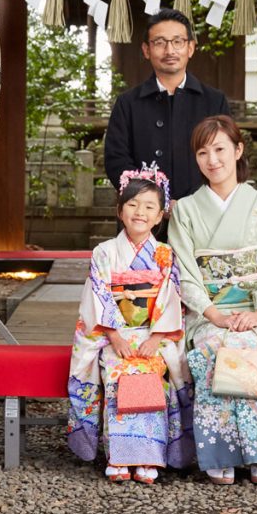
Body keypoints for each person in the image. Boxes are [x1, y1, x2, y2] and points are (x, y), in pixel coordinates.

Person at [168, 116, 257, 486]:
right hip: (209, 313)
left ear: (238, 150)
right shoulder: (185, 210)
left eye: (220, 149)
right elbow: (183, 268)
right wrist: (214, 314)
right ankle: (220, 451)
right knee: (217, 346)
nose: (212, 159)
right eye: (203, 152)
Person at [67, 165, 194, 484]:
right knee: (116, 372)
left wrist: (157, 336)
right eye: (133, 204)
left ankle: (150, 456)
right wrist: (113, 335)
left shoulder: (165, 254)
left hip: (153, 333)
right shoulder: (104, 253)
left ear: (160, 215)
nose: (141, 212)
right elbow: (96, 295)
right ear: (120, 211)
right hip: (115, 334)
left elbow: (170, 298)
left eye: (150, 206)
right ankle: (119, 455)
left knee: (155, 371)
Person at [104, 9, 230, 214]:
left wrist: (190, 206)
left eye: (178, 41)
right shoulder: (127, 104)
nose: (170, 51)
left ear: (190, 48)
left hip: (202, 215)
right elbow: (116, 161)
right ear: (146, 50)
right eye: (160, 42)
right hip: (143, 219)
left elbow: (225, 159)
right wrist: (155, 203)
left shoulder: (214, 101)